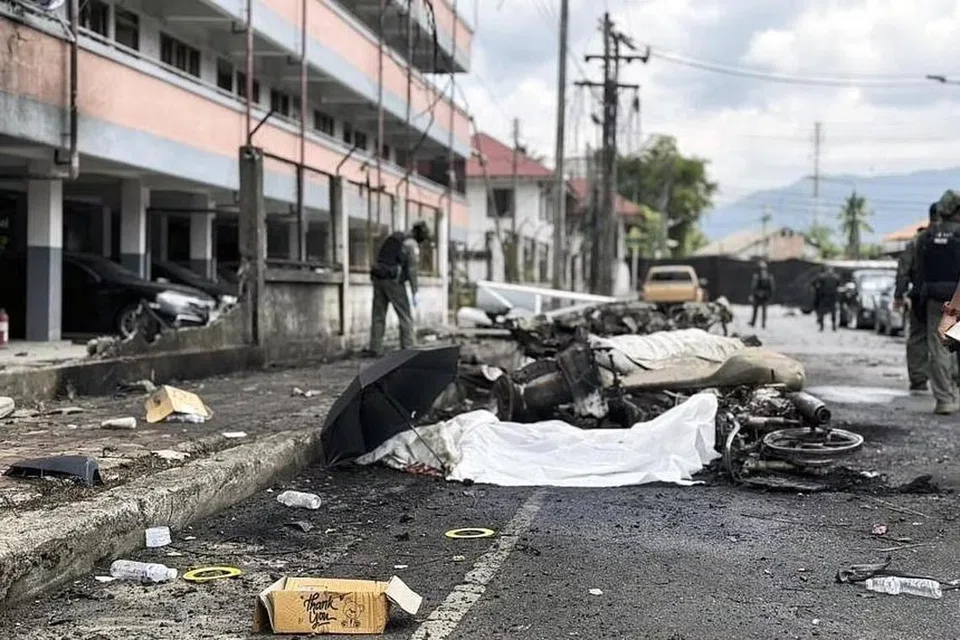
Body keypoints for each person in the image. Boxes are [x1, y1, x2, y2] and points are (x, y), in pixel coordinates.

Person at [916, 189, 960, 414]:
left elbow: (919, 272)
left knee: (940, 349)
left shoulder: (926, 236)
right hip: (956, 297)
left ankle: (945, 399)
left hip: (935, 299)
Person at [365, 221, 430, 357]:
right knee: (405, 315)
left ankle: (375, 348)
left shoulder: (396, 237)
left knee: (378, 315)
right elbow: (412, 270)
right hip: (393, 281)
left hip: (378, 277)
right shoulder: (411, 244)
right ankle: (408, 347)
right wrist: (415, 292)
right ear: (419, 234)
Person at [893, 202, 939, 393]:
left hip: (920, 296)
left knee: (918, 337)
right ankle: (948, 381)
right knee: (946, 339)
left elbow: (903, 271)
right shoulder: (954, 238)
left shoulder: (917, 241)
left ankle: (919, 379)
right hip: (948, 298)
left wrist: (899, 295)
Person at [812, 265, 840, 332]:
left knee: (823, 311)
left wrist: (818, 290)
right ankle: (832, 326)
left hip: (824, 296)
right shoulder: (835, 277)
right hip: (830, 296)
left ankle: (823, 326)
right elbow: (838, 285)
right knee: (832, 312)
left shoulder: (822, 277)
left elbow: (815, 284)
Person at [749, 260, 775, 329]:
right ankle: (757, 323)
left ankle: (759, 323)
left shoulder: (765, 276)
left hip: (762, 295)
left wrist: (768, 295)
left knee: (760, 310)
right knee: (758, 310)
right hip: (760, 295)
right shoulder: (761, 276)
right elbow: (772, 287)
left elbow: (771, 287)